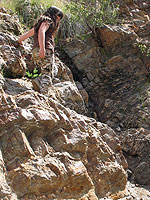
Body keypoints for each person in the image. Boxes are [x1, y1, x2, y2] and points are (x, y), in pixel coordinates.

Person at [17, 6, 64, 92]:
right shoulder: (48, 21)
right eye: (58, 17)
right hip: (45, 50)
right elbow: (41, 32)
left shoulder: (39, 23)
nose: (58, 20)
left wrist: (19, 40)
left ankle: (38, 81)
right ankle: (44, 93)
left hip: (35, 52)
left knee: (53, 69)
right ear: (52, 14)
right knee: (48, 74)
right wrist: (42, 48)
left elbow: (29, 33)